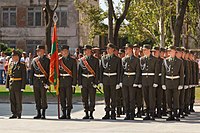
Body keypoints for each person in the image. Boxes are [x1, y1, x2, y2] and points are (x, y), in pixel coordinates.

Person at [162, 46, 184, 121]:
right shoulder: (165, 61)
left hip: (176, 81)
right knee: (168, 99)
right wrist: (163, 83)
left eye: (171, 51)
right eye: (169, 51)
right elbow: (163, 73)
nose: (170, 53)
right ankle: (170, 114)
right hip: (168, 81)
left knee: (176, 99)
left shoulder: (179, 61)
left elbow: (181, 73)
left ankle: (176, 114)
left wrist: (181, 84)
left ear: (175, 52)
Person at [100, 43, 121, 120]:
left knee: (113, 97)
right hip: (106, 79)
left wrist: (118, 82)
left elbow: (119, 71)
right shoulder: (103, 58)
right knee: (106, 97)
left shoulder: (117, 59)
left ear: (113, 49)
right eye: (107, 49)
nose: (107, 50)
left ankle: (113, 113)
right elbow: (101, 70)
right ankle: (107, 112)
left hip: (113, 79)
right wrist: (101, 81)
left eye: (109, 48)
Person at [78, 45, 99, 119]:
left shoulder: (95, 60)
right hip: (84, 80)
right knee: (84, 98)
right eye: (85, 50)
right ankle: (86, 112)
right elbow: (79, 72)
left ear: (90, 50)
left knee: (92, 98)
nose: (85, 51)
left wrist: (96, 82)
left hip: (91, 80)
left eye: (87, 50)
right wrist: (80, 83)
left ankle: (91, 113)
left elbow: (97, 72)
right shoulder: (81, 60)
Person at [120, 44, 141, 120]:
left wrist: (136, 81)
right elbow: (121, 71)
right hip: (125, 80)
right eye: (125, 49)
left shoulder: (136, 60)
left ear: (131, 49)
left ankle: (132, 113)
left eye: (127, 49)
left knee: (132, 98)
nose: (126, 50)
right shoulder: (123, 59)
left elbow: (138, 72)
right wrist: (121, 81)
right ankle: (127, 113)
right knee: (125, 98)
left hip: (132, 79)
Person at [30, 45, 50, 119]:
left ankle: (43, 113)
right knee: (37, 97)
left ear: (44, 51)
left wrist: (48, 83)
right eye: (38, 51)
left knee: (43, 97)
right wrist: (31, 82)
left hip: (43, 81)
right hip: (36, 80)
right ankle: (38, 113)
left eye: (40, 51)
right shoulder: (34, 60)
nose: (39, 52)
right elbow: (31, 72)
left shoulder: (47, 60)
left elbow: (49, 72)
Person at [140, 44, 159, 120]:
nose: (144, 51)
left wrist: (155, 81)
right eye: (143, 50)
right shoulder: (142, 59)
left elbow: (156, 72)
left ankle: (152, 113)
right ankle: (147, 113)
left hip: (151, 80)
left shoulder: (154, 59)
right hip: (144, 80)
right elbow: (140, 70)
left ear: (149, 50)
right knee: (145, 97)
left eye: (145, 50)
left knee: (151, 97)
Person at [5, 50, 26, 119]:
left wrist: (23, 86)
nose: (12, 57)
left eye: (14, 56)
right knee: (12, 99)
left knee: (18, 100)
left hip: (18, 84)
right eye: (12, 56)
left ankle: (18, 113)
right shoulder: (11, 64)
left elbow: (24, 77)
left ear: (18, 57)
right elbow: (8, 75)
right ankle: (13, 113)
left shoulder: (22, 65)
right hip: (11, 84)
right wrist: (7, 85)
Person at [59, 45, 77, 119]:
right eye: (63, 51)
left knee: (69, 98)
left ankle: (68, 113)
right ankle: (63, 113)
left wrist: (74, 83)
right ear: (61, 52)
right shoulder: (59, 60)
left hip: (69, 81)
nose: (65, 52)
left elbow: (75, 72)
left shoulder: (72, 60)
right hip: (61, 81)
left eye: (66, 51)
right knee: (62, 98)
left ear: (68, 51)